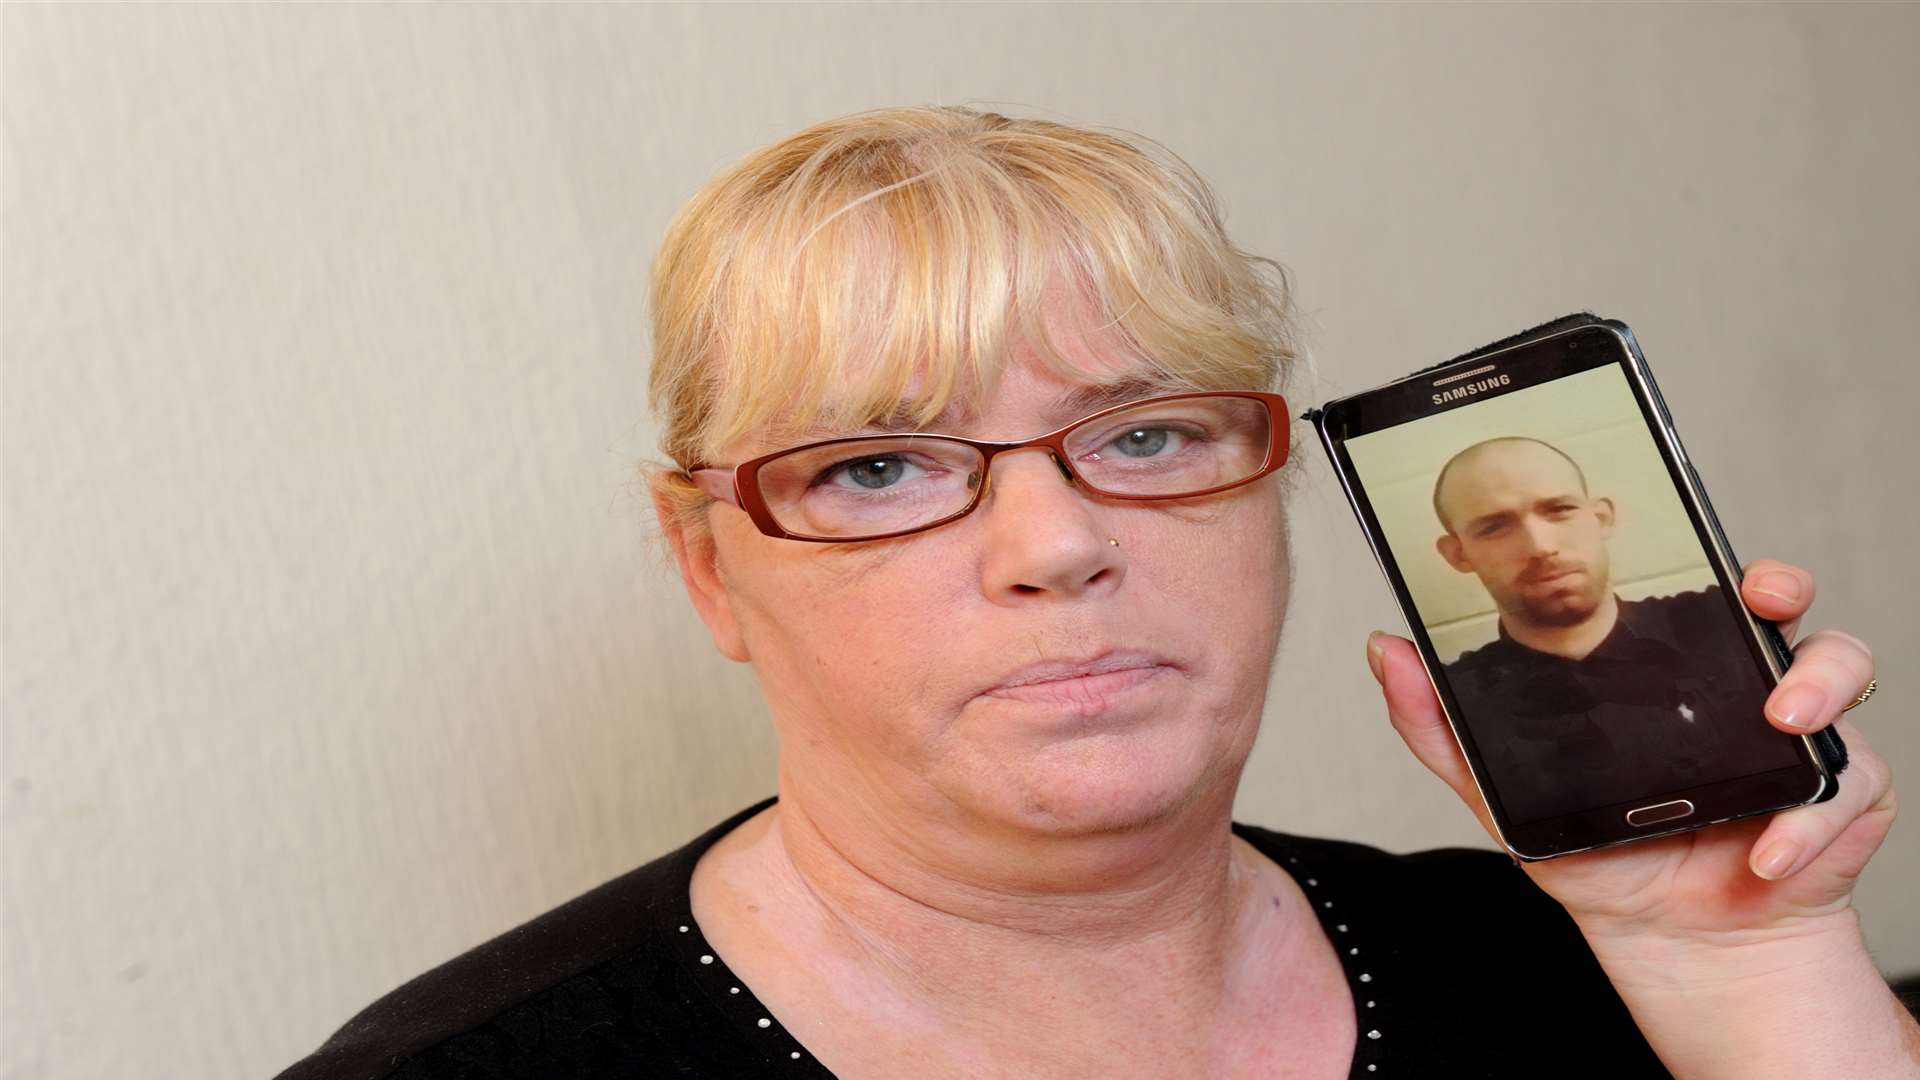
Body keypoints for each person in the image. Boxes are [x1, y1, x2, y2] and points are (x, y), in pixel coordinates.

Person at [276, 106, 1911, 1079]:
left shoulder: (1569, 971)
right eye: (878, 467)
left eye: (1145, 432)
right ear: (714, 564)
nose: (1056, 544)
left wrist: (1746, 979)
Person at [1431, 436, 1798, 823]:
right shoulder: (1458, 701)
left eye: (1559, 510)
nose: (1540, 547)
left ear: (1601, 518)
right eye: (1494, 527)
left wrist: (1845, 702)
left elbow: (1842, 696)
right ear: (1457, 553)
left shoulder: (1724, 620)